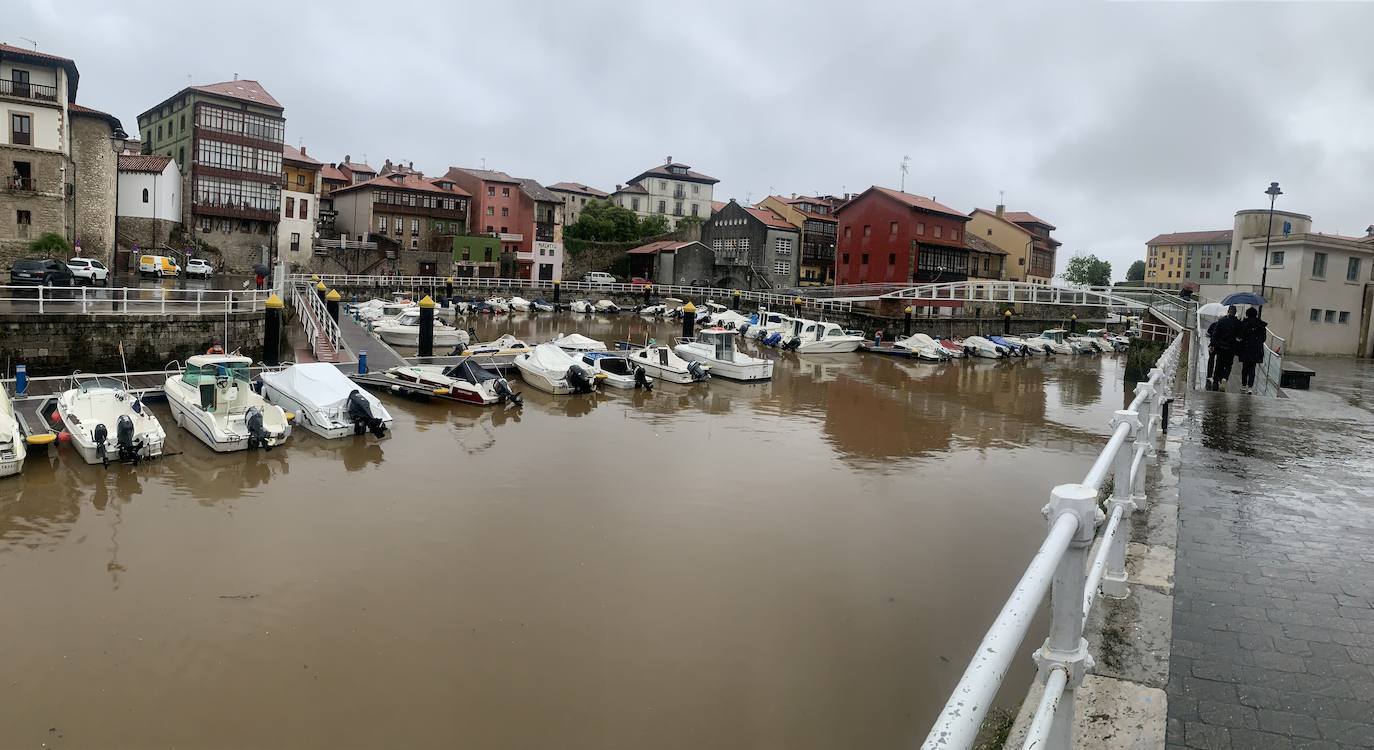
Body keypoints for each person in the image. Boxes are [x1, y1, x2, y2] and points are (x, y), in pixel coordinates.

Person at [1210, 305, 1242, 391]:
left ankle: (1216, 381)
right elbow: (1240, 336)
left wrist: (1212, 345)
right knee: (1228, 364)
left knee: (1219, 364)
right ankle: (1224, 378)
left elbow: (1215, 334)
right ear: (1235, 313)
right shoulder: (1238, 323)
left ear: (1228, 311)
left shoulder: (1221, 321)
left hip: (1221, 347)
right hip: (1231, 348)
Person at [1238, 307, 1268, 394]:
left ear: (1247, 314)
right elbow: (1263, 338)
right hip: (1256, 350)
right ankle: (1250, 387)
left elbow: (1240, 335)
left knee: (1245, 368)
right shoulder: (1260, 325)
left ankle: (1243, 385)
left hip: (1246, 348)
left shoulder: (1245, 323)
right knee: (1252, 368)